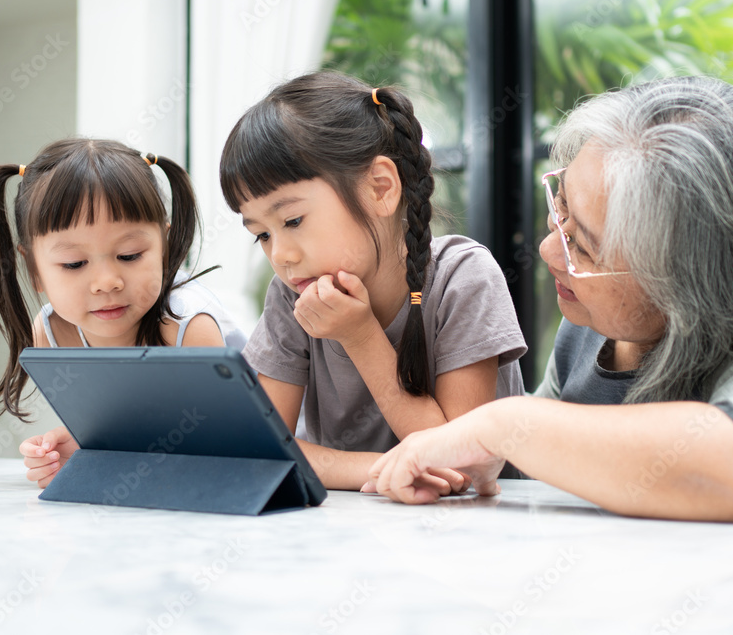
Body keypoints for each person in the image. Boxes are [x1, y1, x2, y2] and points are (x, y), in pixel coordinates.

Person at [365, 75, 733, 522]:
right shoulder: (596, 325)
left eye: (583, 245)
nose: (551, 248)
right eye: (561, 210)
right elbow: (551, 470)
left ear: (692, 281)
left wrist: (503, 424)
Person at [220, 71, 527, 491]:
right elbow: (260, 447)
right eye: (262, 234)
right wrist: (388, 471)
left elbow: (465, 468)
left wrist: (360, 336)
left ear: (380, 189)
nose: (281, 255)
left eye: (292, 220)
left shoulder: (465, 278)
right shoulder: (293, 295)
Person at [0, 138, 244, 486]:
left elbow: (222, 451)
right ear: (35, 269)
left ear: (164, 246)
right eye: (74, 263)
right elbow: (123, 433)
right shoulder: (54, 331)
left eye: (129, 255)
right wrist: (76, 449)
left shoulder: (187, 326)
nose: (106, 282)